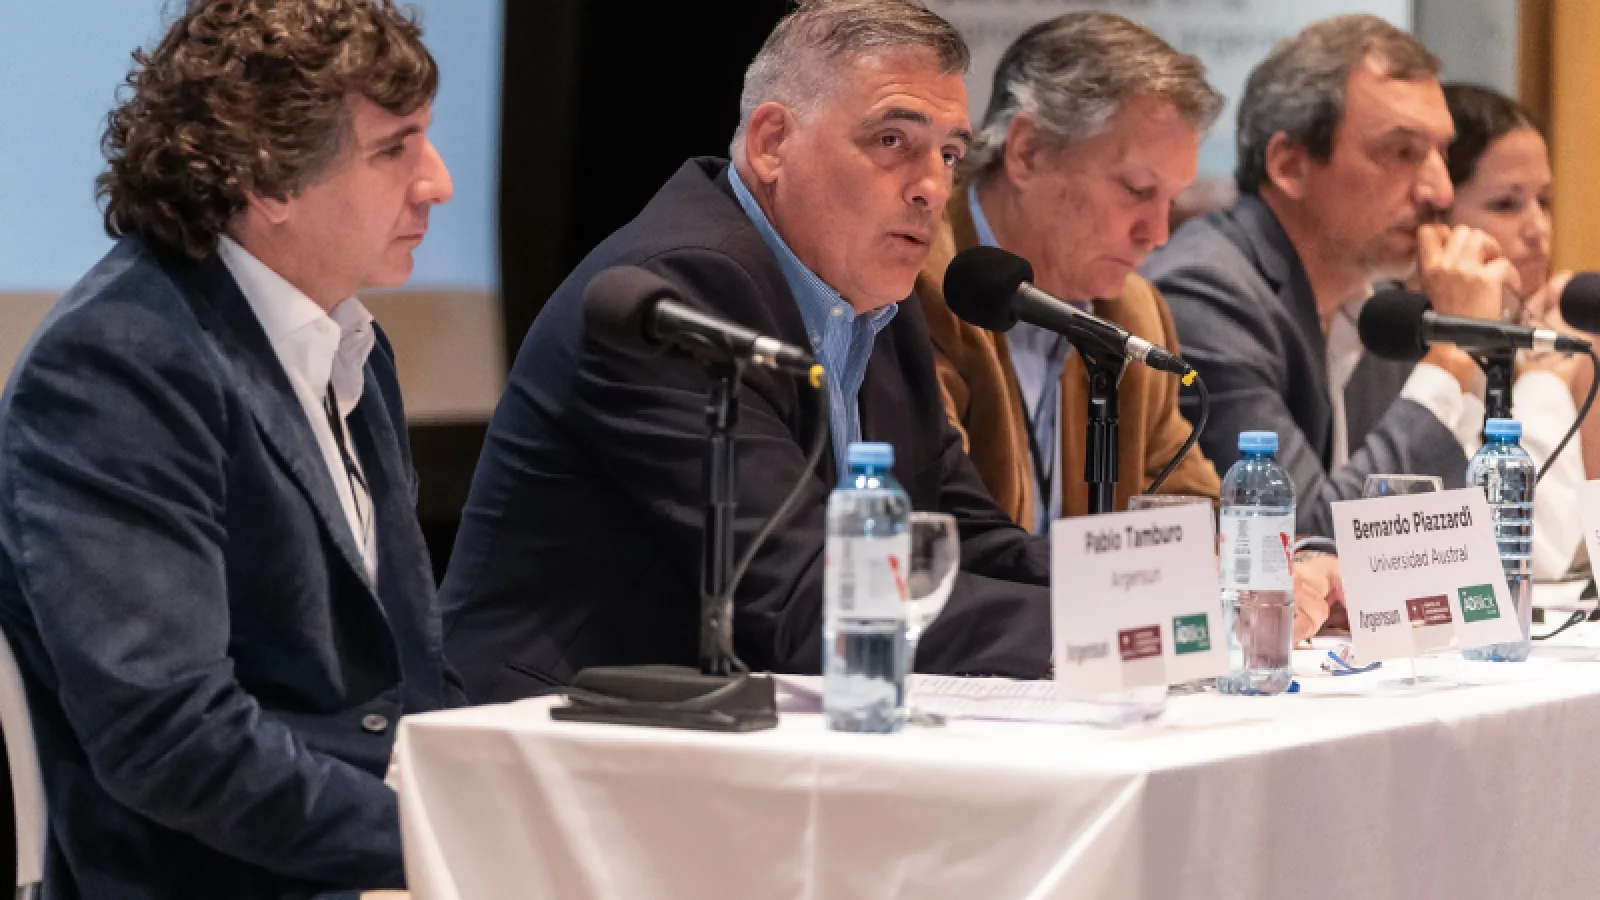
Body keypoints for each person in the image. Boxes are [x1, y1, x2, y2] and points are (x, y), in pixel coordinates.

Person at [441, 0, 1051, 701]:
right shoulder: (679, 293)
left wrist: (1126, 598)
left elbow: (964, 539)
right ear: (771, 143)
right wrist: (1082, 629)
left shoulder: (877, 299)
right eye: (892, 142)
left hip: (731, 725)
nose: (933, 188)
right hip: (552, 727)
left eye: (949, 154)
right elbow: (806, 598)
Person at [0, 1, 459, 896]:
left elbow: (410, 682)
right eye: (392, 150)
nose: (435, 182)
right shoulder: (118, 363)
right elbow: (170, 739)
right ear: (268, 179)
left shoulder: (350, 345)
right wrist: (444, 846)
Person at [1143, 15, 1515, 544]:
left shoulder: (1379, 301)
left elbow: (1443, 533)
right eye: (1402, 153)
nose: (1440, 193)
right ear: (1290, 165)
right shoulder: (1207, 296)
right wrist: (1452, 352)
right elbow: (1298, 539)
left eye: (1443, 155)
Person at [915, 11, 1224, 532]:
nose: (1157, 233)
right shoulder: (923, 285)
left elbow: (1193, 508)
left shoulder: (1135, 313)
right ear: (1028, 152)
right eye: (1137, 190)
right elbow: (949, 530)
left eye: (1171, 200)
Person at [1440, 82, 1588, 580]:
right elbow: (1533, 552)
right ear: (1436, 216)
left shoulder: (1534, 326)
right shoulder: (1405, 347)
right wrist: (1547, 379)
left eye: (1543, 201)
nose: (1537, 228)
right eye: (1506, 204)